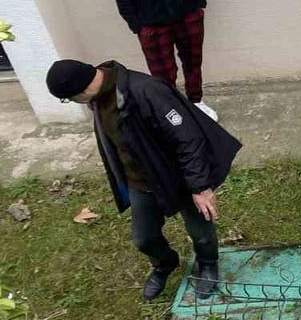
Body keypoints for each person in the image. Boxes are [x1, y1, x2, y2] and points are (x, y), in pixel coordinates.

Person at [45, 59, 241, 301]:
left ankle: (208, 263)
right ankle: (165, 263)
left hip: (179, 178)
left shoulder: (147, 91)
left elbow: (189, 139)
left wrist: (200, 187)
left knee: (200, 230)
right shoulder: (97, 100)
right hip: (140, 182)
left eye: (68, 99)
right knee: (144, 238)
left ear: (80, 89)